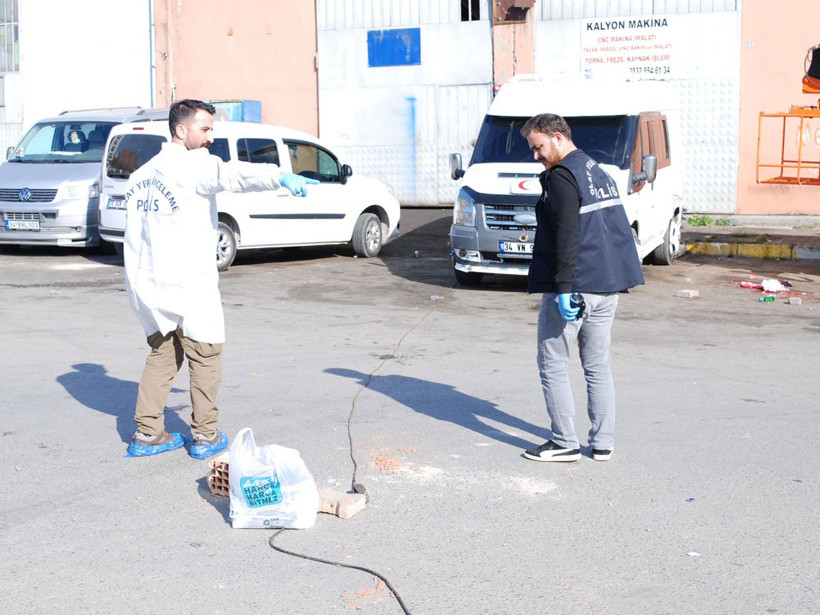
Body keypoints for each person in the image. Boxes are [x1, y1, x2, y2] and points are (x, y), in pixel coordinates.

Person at [124, 99, 318, 458]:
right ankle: (206, 437)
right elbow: (234, 174)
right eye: (205, 129)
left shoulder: (141, 176)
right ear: (181, 130)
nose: (211, 137)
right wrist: (279, 176)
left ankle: (147, 433)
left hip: (149, 285)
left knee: (162, 356)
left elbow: (133, 238)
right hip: (189, 285)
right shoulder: (194, 166)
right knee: (205, 357)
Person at [520, 113, 644, 463]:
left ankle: (564, 442)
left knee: (553, 362)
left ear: (558, 138)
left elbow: (566, 237)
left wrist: (561, 288)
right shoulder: (597, 170)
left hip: (576, 286)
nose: (536, 156)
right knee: (597, 365)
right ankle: (602, 443)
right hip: (607, 284)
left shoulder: (562, 177)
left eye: (538, 147)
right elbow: (614, 230)